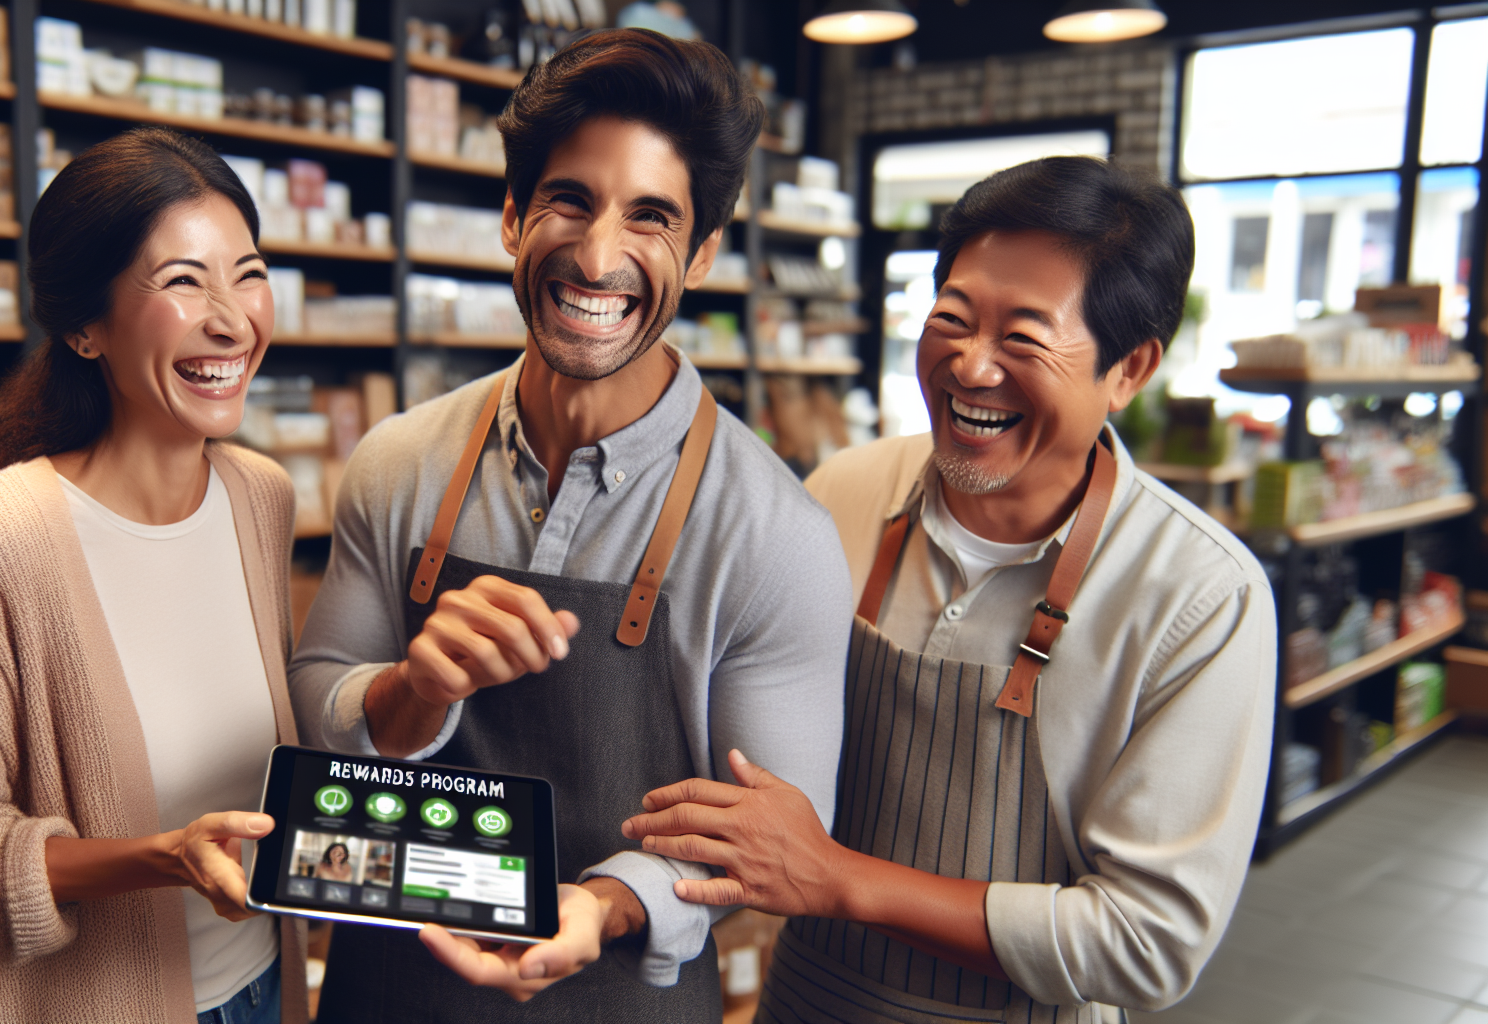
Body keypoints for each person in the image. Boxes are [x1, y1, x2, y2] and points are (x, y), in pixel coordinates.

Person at [625, 156, 1276, 1022]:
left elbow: (1145, 944)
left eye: (1024, 338)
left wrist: (839, 880)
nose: (970, 366)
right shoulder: (841, 493)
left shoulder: (1199, 596)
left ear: (1129, 369)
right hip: (810, 1001)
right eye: (953, 319)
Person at [289, 27, 853, 1023]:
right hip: (391, 990)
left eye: (650, 217)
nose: (598, 257)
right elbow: (314, 700)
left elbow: (770, 837)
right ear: (511, 218)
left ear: (703, 251)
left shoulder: (776, 536)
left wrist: (601, 901)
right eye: (568, 201)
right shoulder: (398, 461)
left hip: (623, 995)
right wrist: (413, 691)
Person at [0, 127, 306, 1024]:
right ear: (83, 326)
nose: (232, 317)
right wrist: (158, 857)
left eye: (249, 272)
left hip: (266, 988)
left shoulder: (260, 498)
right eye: (184, 281)